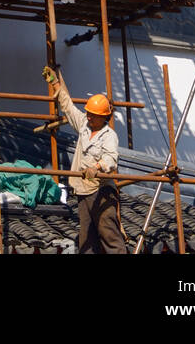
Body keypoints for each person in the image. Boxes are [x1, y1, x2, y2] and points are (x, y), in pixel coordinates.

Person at [42, 65, 127, 254]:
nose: (87, 116)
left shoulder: (108, 135)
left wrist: (97, 167)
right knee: (87, 238)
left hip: (101, 190)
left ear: (102, 117)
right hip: (83, 191)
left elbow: (111, 159)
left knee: (109, 234)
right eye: (87, 113)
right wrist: (55, 83)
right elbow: (69, 107)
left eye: (92, 115)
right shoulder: (85, 125)